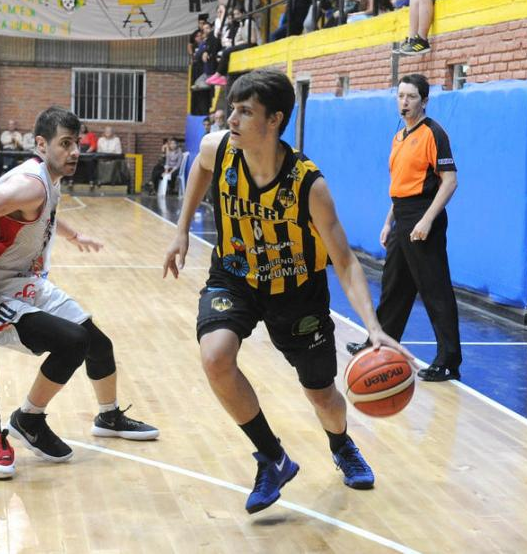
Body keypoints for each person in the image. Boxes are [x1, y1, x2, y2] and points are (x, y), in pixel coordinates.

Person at [163, 69, 411, 514]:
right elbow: (199, 168)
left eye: (245, 112)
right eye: (232, 109)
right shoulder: (219, 149)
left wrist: (373, 327)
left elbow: (345, 261)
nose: (231, 119)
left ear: (274, 119)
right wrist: (181, 230)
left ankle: (341, 444)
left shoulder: (308, 184)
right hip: (235, 276)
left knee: (322, 395)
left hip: (297, 292)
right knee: (215, 357)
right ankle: (272, 457)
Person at [0, 106, 158, 477]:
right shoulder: (30, 183)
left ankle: (108, 417)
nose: (74, 152)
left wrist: (73, 235)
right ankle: (28, 419)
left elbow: (45, 211)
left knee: (97, 343)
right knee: (72, 342)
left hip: (23, 279)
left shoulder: (46, 179)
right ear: (41, 145)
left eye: (76, 144)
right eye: (65, 144)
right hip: (3, 288)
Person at [347, 74, 462, 382]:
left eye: (411, 97)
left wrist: (427, 220)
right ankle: (379, 343)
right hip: (401, 215)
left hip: (424, 214)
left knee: (434, 289)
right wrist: (389, 222)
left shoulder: (434, 133)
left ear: (424, 101)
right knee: (394, 284)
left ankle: (448, 361)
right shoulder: (398, 136)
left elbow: (450, 182)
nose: (404, 102)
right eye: (400, 96)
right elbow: (399, 186)